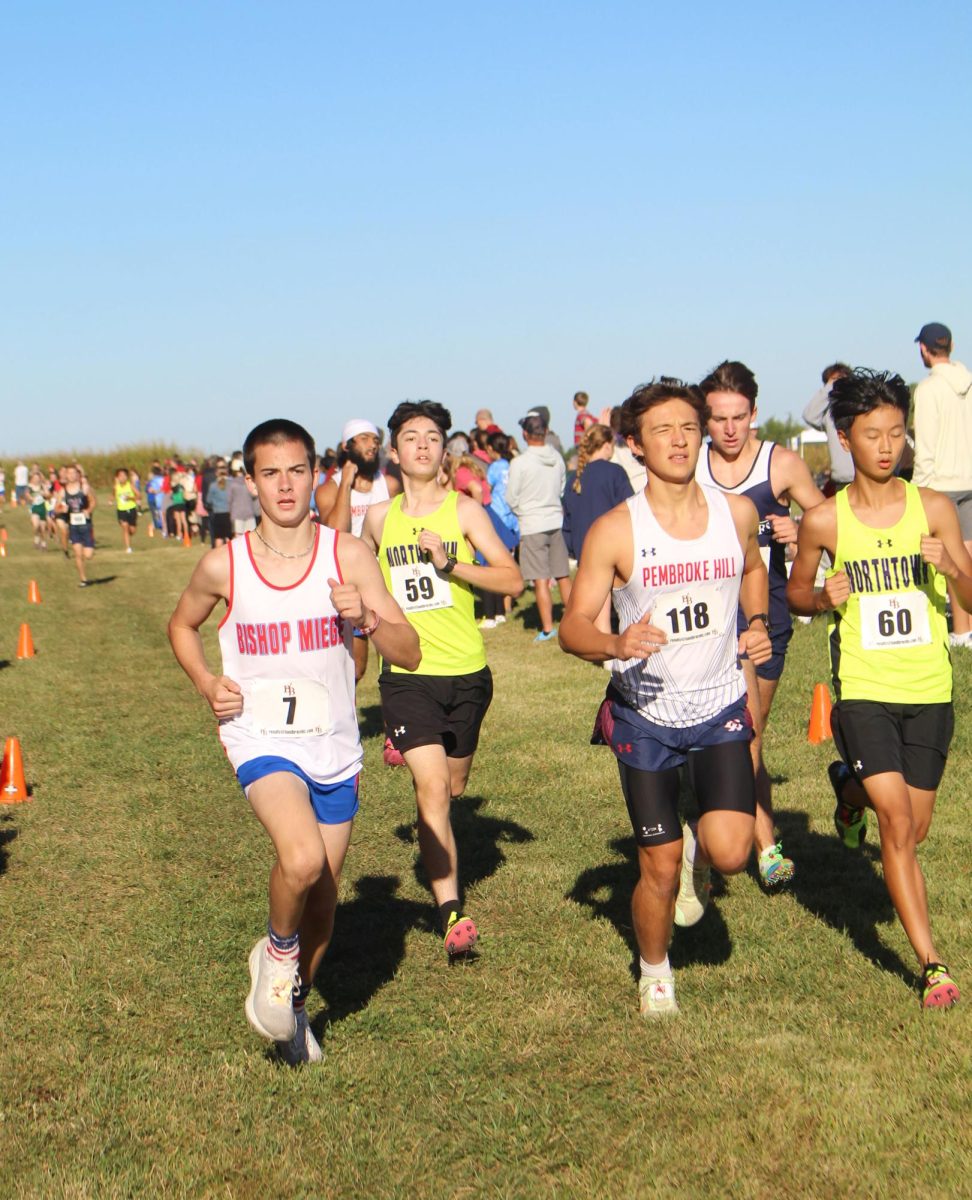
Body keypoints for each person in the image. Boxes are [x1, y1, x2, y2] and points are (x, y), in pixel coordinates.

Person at [168, 418, 419, 1064]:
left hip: (333, 743)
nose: (285, 485)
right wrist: (206, 682)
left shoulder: (348, 556)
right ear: (249, 481)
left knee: (323, 906)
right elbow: (182, 625)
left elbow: (408, 651)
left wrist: (363, 615)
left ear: (317, 474)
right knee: (301, 859)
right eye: (270, 473)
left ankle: (291, 1007)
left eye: (297, 470)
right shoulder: (225, 564)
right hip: (260, 738)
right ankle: (278, 955)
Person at [559, 378, 771, 1018]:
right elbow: (573, 627)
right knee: (658, 866)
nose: (679, 441)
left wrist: (755, 624)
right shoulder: (616, 530)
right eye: (662, 431)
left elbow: (754, 570)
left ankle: (702, 859)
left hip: (718, 705)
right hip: (645, 717)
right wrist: (615, 642)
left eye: (688, 428)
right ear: (635, 444)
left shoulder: (735, 513)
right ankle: (656, 972)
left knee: (733, 851)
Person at [787, 369, 968, 1010]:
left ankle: (846, 789)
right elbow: (797, 594)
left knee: (913, 830)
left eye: (897, 433)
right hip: (863, 687)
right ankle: (932, 964)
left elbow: (971, 596)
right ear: (844, 439)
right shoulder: (824, 521)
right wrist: (818, 595)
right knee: (896, 823)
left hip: (929, 690)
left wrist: (950, 567)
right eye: (872, 434)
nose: (887, 446)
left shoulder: (936, 508)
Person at [361, 401, 523, 959]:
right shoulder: (379, 519)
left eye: (433, 437)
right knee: (430, 790)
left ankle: (413, 749)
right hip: (407, 674)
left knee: (454, 789)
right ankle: (451, 911)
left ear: (444, 449)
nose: (424, 446)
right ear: (395, 451)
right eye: (411, 437)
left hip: (467, 672)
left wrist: (450, 565)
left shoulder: (466, 511)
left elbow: (513, 579)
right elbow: (361, 582)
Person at [696, 360, 825, 890]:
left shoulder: (781, 464)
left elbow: (831, 523)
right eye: (717, 418)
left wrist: (801, 528)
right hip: (706, 617)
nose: (728, 429)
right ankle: (761, 843)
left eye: (738, 417)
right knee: (735, 735)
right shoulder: (690, 465)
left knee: (751, 731)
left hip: (764, 613)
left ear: (755, 412)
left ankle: (727, 834)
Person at [315, 419, 399, 684]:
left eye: (374, 439)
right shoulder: (328, 489)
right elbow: (334, 531)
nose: (371, 445)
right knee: (355, 669)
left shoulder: (389, 485)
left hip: (387, 578)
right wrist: (346, 484)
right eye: (362, 439)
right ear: (346, 446)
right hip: (349, 582)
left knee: (396, 664)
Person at [911, 323, 972, 648]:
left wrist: (916, 489)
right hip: (970, 480)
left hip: (940, 485)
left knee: (949, 559)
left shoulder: (928, 389)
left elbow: (926, 448)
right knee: (968, 555)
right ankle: (967, 629)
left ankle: (961, 632)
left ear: (924, 348)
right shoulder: (969, 380)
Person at [506, 411, 572, 642]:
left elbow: (511, 496)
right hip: (555, 518)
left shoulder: (520, 463)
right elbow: (562, 488)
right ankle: (575, 620)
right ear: (545, 432)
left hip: (532, 523)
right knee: (563, 574)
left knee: (540, 579)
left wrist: (522, 510)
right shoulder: (557, 458)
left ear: (525, 434)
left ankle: (547, 628)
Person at [562, 424, 633, 634]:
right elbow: (630, 506)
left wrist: (573, 548)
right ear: (606, 445)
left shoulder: (573, 479)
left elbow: (567, 518)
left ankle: (602, 641)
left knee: (599, 599)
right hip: (615, 545)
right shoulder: (615, 472)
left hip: (583, 545)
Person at [802, 363, 854, 496]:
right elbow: (809, 415)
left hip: (864, 478)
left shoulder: (859, 407)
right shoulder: (828, 414)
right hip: (841, 481)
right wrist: (829, 387)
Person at [57, 465, 96, 586]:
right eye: (69, 473)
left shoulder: (84, 488)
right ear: (66, 475)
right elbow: (56, 508)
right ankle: (83, 579)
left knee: (88, 555)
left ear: (78, 474)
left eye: (74, 473)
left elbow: (93, 501)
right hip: (73, 526)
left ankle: (87, 552)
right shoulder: (63, 491)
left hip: (86, 525)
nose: (72, 475)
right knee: (78, 554)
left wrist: (88, 510)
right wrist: (62, 509)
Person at [206, 460, 233, 547]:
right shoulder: (231, 484)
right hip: (229, 513)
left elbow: (208, 500)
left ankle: (218, 556)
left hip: (218, 513)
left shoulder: (213, 485)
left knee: (219, 537)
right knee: (229, 536)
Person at [114, 468, 139, 553]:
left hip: (131, 509)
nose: (122, 477)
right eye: (120, 476)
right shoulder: (116, 487)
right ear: (117, 477)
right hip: (121, 510)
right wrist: (110, 500)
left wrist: (130, 498)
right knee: (125, 527)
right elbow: (112, 495)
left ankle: (128, 534)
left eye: (124, 475)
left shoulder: (130, 485)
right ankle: (128, 548)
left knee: (132, 530)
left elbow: (139, 496)